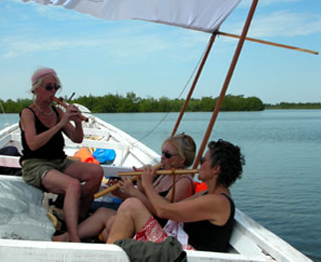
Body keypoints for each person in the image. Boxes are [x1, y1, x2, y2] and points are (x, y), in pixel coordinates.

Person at [106, 139, 245, 252]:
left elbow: (163, 210)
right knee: (117, 222)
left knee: (131, 206)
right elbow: (170, 207)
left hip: (187, 256)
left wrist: (147, 185)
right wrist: (141, 184)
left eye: (203, 160)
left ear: (216, 169)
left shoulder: (217, 202)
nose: (200, 164)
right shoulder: (207, 194)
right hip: (179, 248)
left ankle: (106, 257)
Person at [53, 133, 197, 242]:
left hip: (158, 226)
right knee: (103, 213)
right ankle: (67, 238)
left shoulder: (183, 181)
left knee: (109, 225)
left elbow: (161, 211)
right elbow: (142, 200)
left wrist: (136, 189)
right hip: (143, 216)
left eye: (167, 155)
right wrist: (121, 192)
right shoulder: (163, 174)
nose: (162, 158)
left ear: (181, 160)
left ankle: (81, 241)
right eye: (162, 152)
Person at [19, 67, 103, 242]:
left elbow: (77, 139)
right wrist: (60, 124)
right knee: (72, 185)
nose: (53, 91)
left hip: (58, 161)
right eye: (49, 87)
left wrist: (77, 122)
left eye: (56, 87)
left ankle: (77, 215)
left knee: (97, 173)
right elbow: (33, 144)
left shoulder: (57, 112)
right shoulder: (28, 113)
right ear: (35, 89)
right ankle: (73, 237)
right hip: (35, 164)